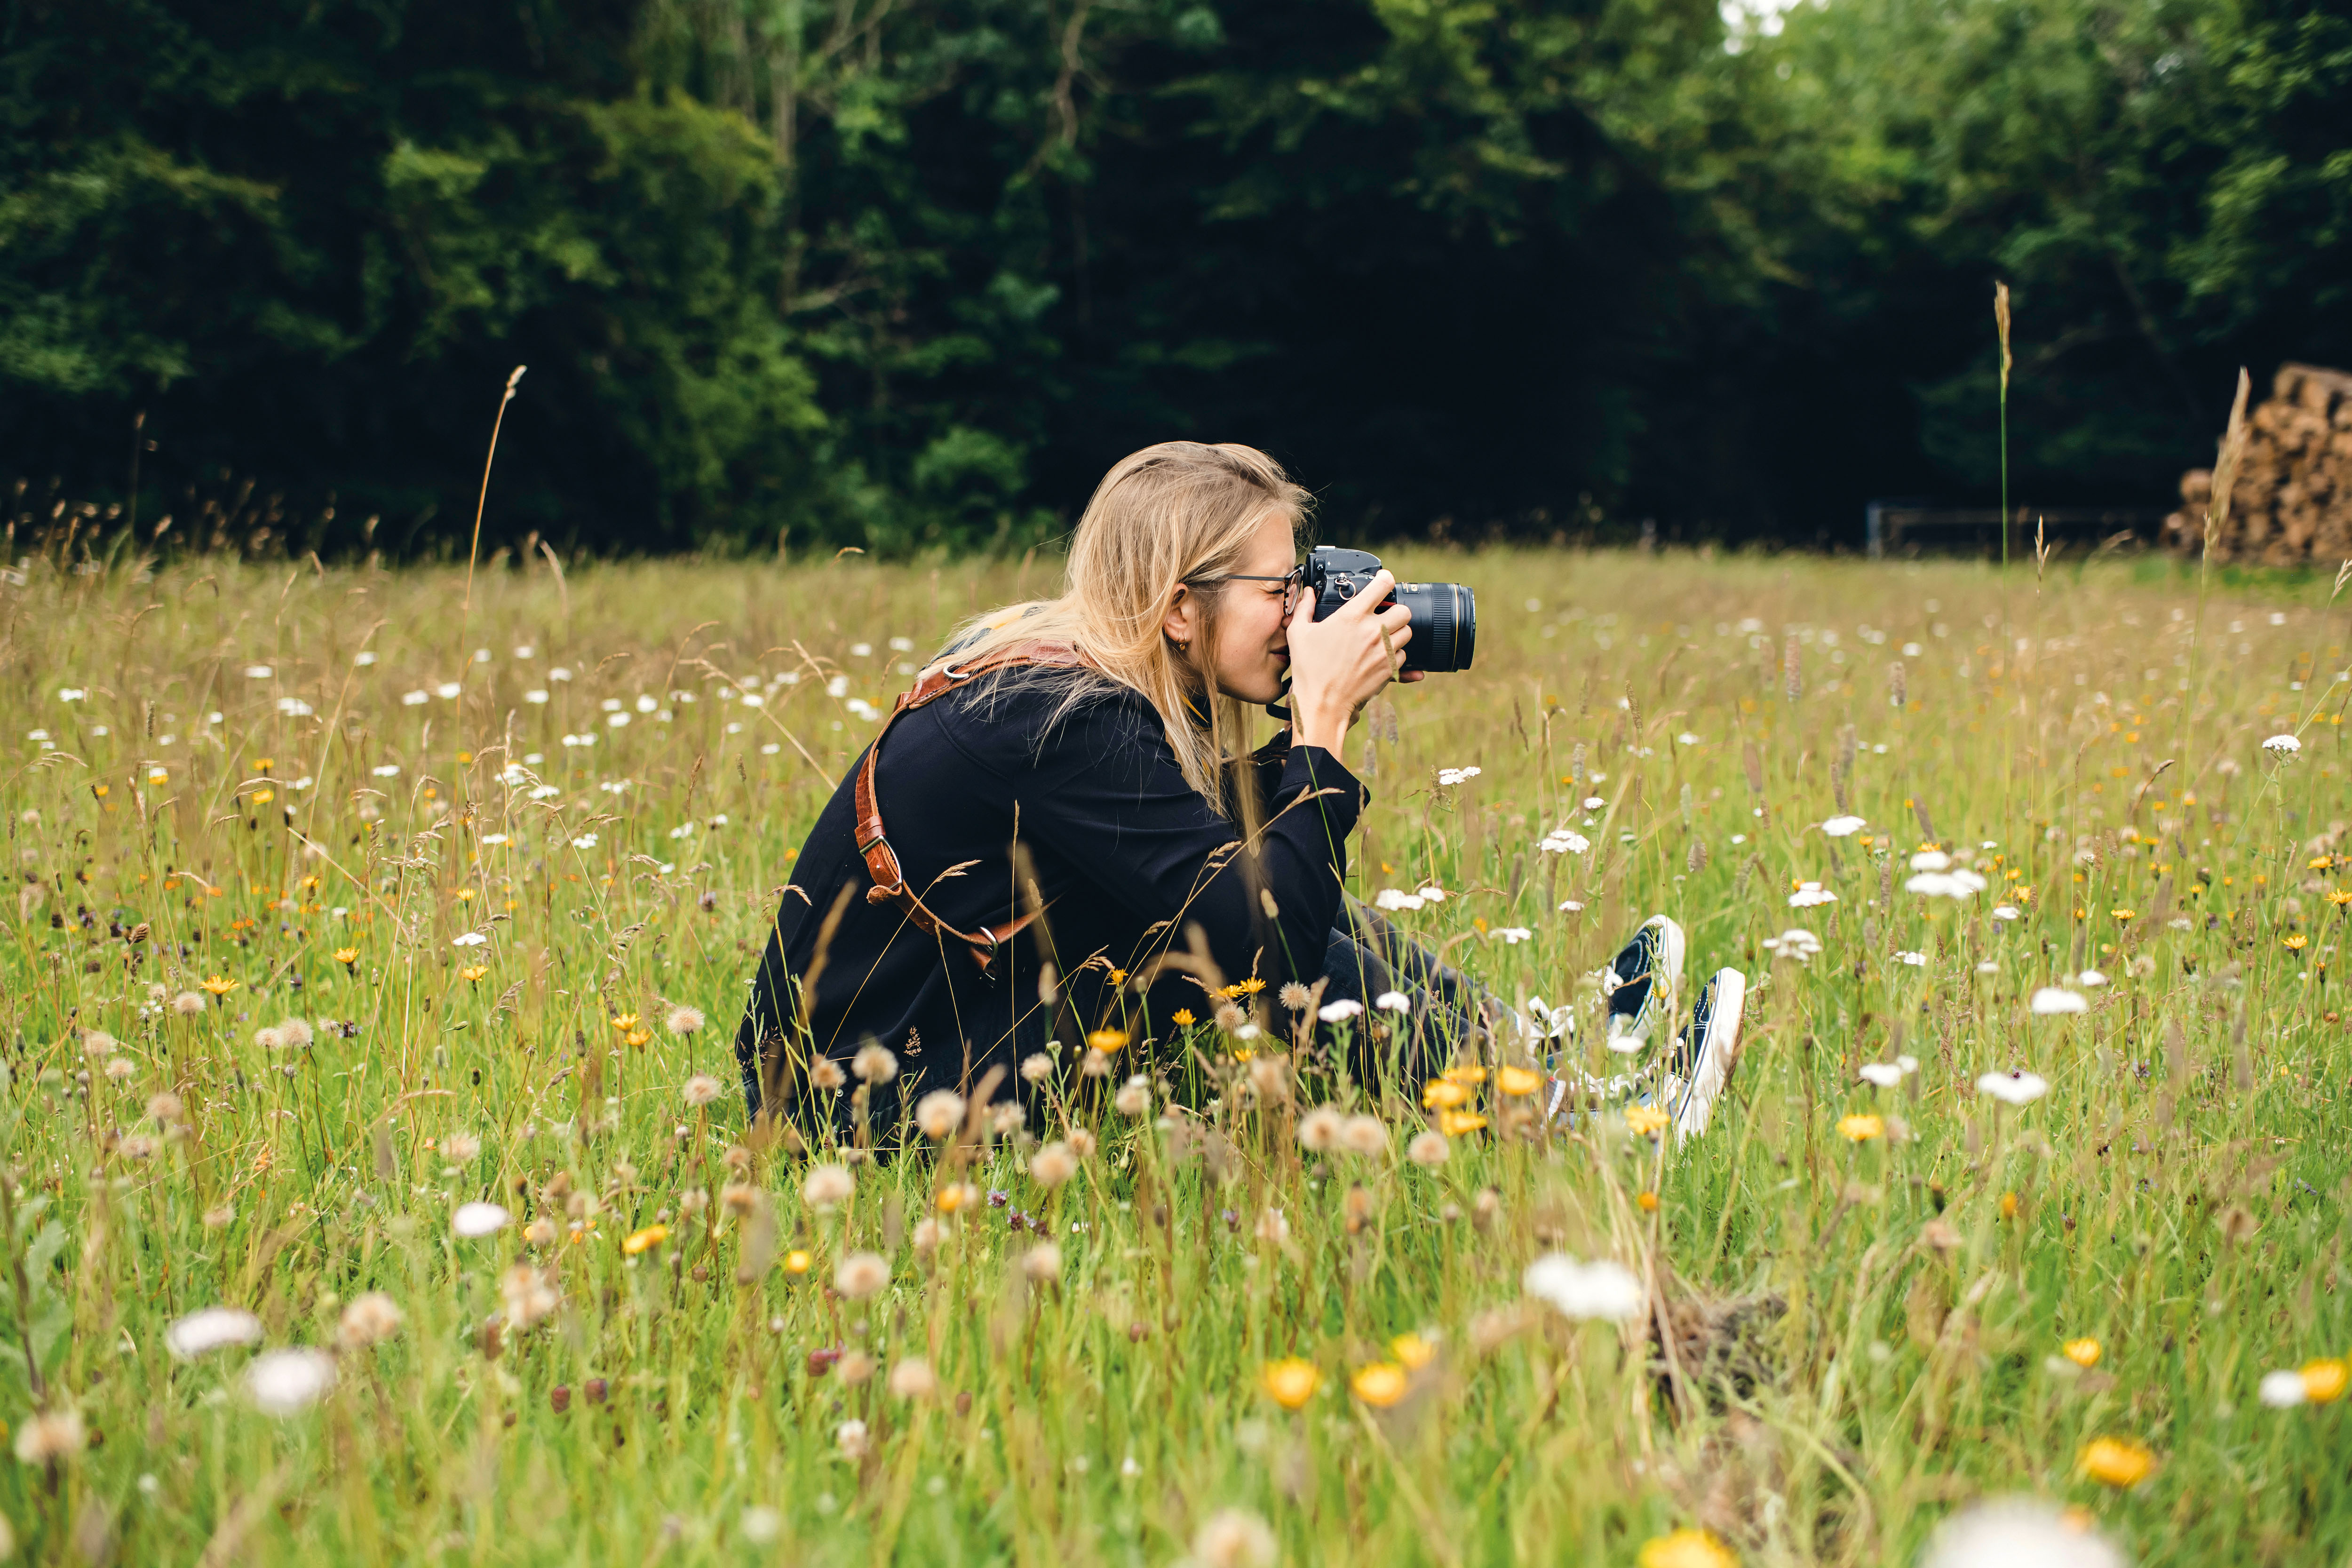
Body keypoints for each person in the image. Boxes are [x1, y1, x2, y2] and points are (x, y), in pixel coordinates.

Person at [731, 439, 1749, 1138]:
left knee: (1259, 878)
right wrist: (1320, 728)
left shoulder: (1069, 680)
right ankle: (1582, 1124)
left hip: (916, 1046)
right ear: (1181, 608)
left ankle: (1533, 1058)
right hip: (865, 1100)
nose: (1300, 610)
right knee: (1254, 933)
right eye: (1278, 591)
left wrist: (1318, 710)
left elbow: (1196, 842)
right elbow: (1266, 947)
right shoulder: (1057, 717)